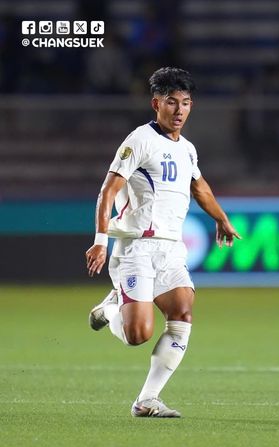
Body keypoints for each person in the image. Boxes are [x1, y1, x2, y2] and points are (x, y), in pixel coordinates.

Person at [85, 67, 241, 418]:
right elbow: (108, 190)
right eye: (172, 102)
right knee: (137, 334)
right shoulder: (139, 140)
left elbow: (199, 187)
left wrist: (222, 218)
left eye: (186, 103)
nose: (180, 110)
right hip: (135, 247)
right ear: (157, 103)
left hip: (171, 249)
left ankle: (146, 400)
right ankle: (110, 308)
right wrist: (100, 240)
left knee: (182, 312)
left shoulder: (187, 148)